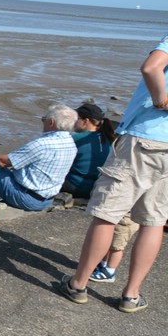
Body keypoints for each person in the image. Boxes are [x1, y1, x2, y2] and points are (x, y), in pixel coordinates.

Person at [58, 34, 168, 313]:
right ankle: (131, 295)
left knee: (107, 214)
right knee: (154, 221)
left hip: (144, 138)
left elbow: (151, 67)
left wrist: (161, 100)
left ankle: (78, 284)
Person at [0, 104, 78, 211]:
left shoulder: (42, 144)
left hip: (28, 199)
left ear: (51, 122)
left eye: (44, 119)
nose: (43, 122)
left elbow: (2, 162)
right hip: (47, 200)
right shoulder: (72, 144)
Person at [62, 102, 116, 198]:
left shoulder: (77, 139)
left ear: (86, 121)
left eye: (76, 119)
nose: (73, 122)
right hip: (96, 187)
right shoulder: (108, 139)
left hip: (76, 186)